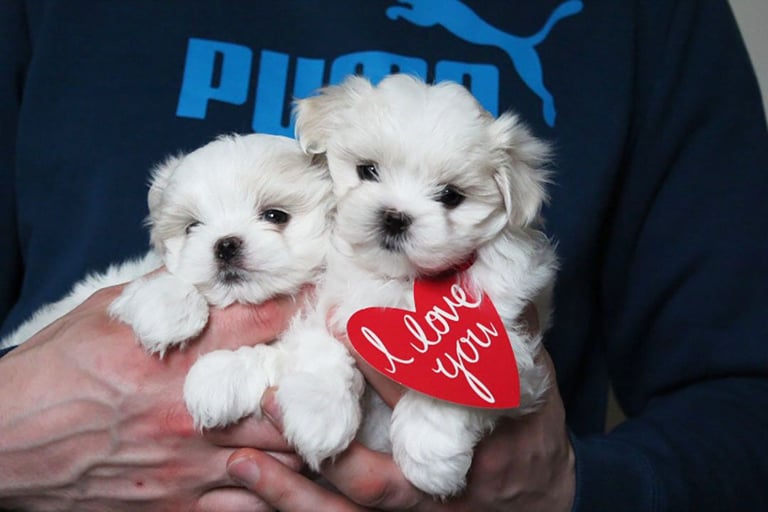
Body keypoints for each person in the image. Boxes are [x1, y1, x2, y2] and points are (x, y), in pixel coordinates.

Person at [1, 1, 767, 511]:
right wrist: (16, 437)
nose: (393, 212)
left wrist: (571, 487)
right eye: (365, 175)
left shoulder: (651, 21)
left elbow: (745, 396)